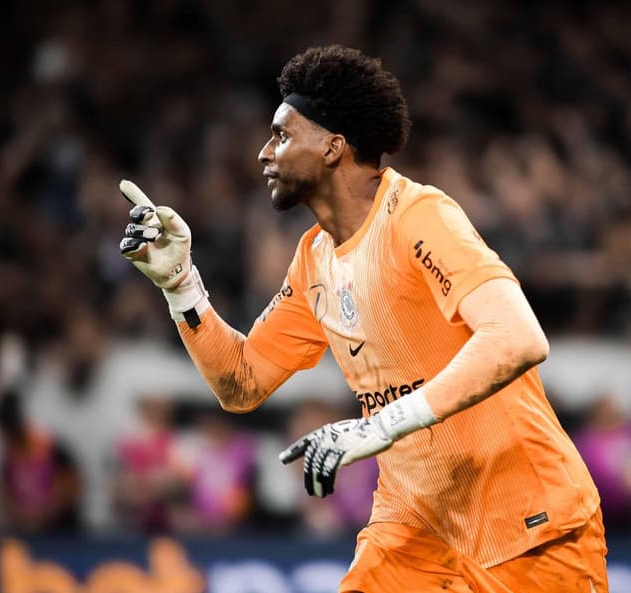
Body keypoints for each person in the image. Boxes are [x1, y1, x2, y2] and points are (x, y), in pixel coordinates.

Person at [119, 45, 606, 593]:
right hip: (414, 529)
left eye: (282, 135)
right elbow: (242, 383)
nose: (263, 153)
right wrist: (182, 285)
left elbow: (517, 337)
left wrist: (383, 425)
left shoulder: (419, 216)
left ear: (332, 147)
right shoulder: (313, 258)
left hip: (527, 525)